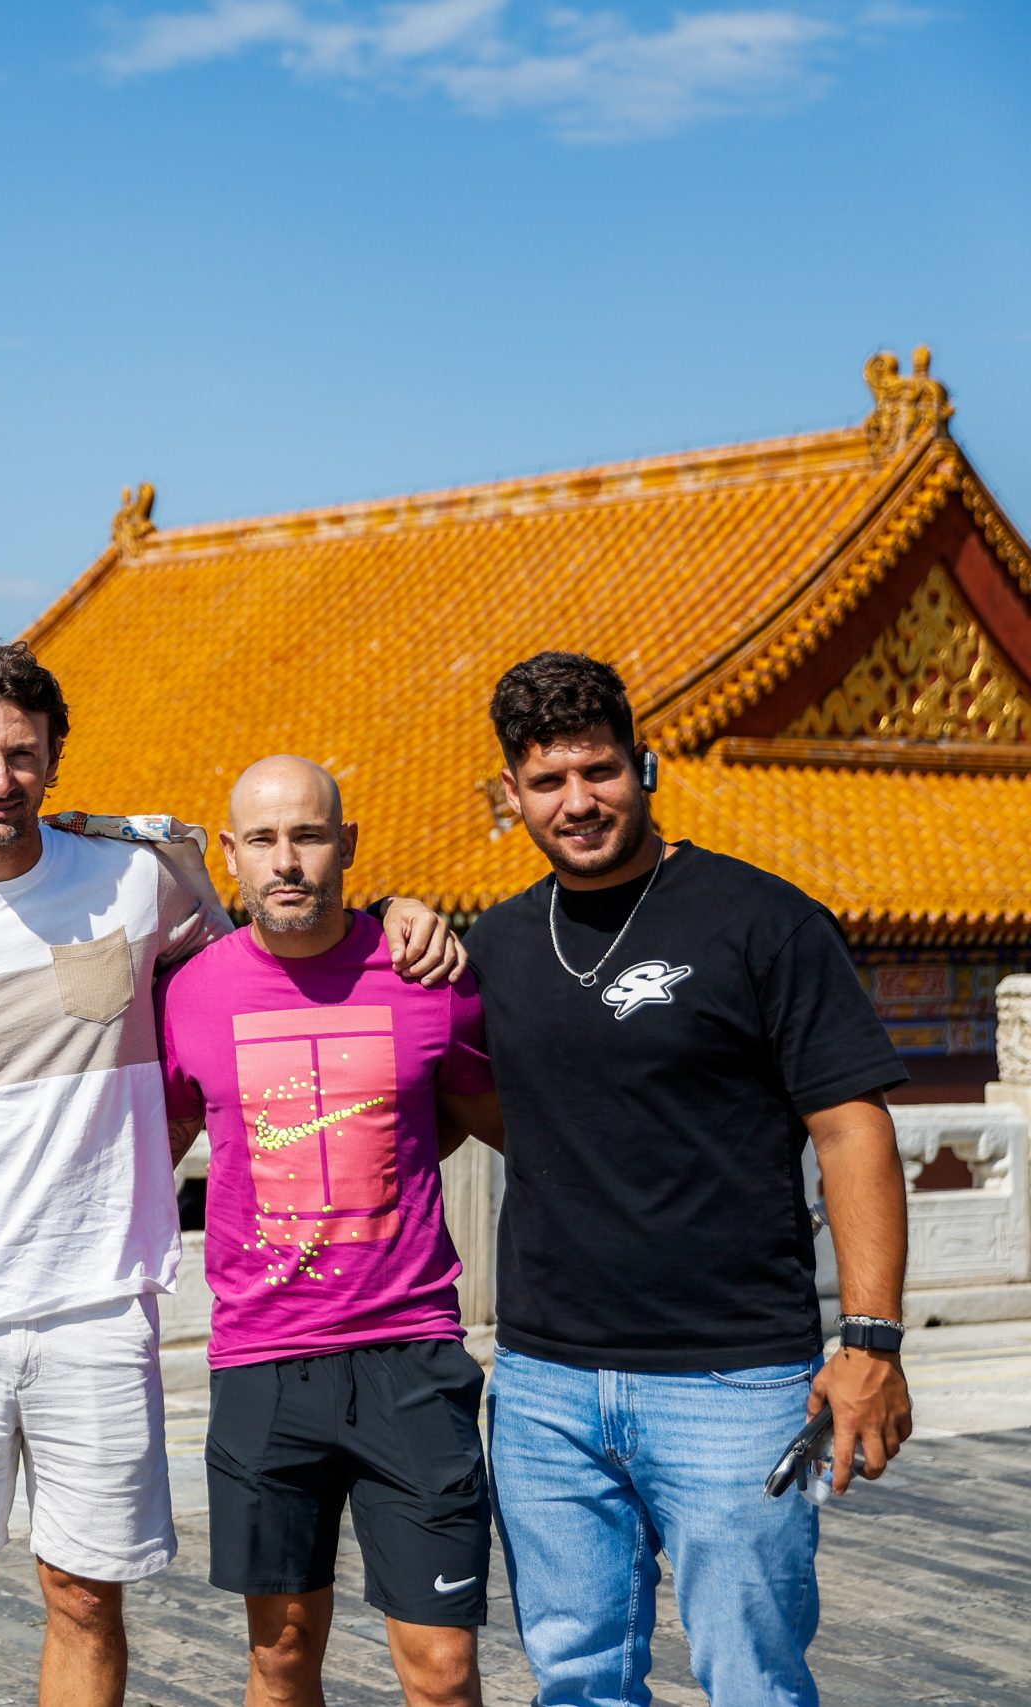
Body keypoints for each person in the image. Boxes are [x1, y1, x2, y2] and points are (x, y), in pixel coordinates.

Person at [0, 641, 465, 1707]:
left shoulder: (138, 877)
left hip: (99, 1303)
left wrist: (392, 914)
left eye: (22, 753)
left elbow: (283, 929)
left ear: (55, 761)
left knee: (82, 1592)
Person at [467, 651, 914, 1706]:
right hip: (544, 1386)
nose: (577, 802)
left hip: (732, 1382)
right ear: (511, 796)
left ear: (644, 765)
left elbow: (853, 1130)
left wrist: (871, 1341)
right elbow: (478, 1104)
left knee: (751, 1678)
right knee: (575, 1679)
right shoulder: (494, 943)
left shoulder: (760, 922)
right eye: (547, 782)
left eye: (599, 771)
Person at [158, 756, 502, 1707]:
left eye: (308, 835)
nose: (288, 862)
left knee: (441, 1666)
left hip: (411, 1355)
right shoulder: (191, 994)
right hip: (263, 1361)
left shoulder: (429, 976)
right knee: (280, 1654)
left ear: (345, 845)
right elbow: (166, 1137)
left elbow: (487, 1116)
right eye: (263, 840)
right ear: (229, 856)